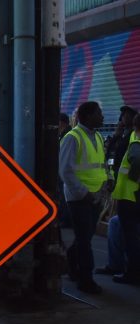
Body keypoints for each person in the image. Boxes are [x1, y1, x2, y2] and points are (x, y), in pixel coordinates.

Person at [59, 101, 113, 293]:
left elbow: (102, 164)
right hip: (79, 198)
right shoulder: (72, 138)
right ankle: (85, 279)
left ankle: (73, 268)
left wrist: (108, 181)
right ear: (88, 116)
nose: (103, 117)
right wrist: (84, 193)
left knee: (85, 236)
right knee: (84, 239)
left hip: (96, 196)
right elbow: (65, 171)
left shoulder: (97, 136)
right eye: (99, 113)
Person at [110, 113, 140, 285]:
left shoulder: (136, 142)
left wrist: (135, 178)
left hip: (130, 197)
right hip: (135, 197)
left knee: (130, 237)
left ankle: (132, 273)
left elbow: (136, 160)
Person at [106, 105, 137, 178]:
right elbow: (110, 153)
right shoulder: (120, 135)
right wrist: (116, 136)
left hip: (127, 176)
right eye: (123, 114)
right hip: (115, 175)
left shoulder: (134, 135)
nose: (125, 117)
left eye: (128, 114)